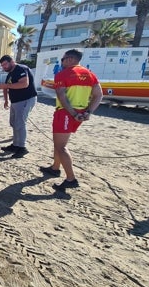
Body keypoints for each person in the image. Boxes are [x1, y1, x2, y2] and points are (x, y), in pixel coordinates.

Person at [39, 49, 103, 191]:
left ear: (69, 59)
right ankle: (55, 167)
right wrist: (88, 111)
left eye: (63, 59)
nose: (62, 62)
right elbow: (99, 95)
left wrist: (73, 113)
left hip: (66, 113)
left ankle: (71, 179)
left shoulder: (63, 74)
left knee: (61, 147)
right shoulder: (90, 75)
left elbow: (62, 95)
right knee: (58, 142)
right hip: (80, 112)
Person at [0, 55, 37, 158]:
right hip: (15, 101)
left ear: (11, 61)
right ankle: (15, 145)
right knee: (14, 122)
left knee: (20, 123)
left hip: (25, 99)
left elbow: (24, 84)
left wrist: (6, 86)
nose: (3, 67)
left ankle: (22, 148)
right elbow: (5, 87)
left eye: (5, 64)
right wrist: (6, 101)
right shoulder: (10, 74)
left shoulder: (21, 69)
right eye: (2, 65)